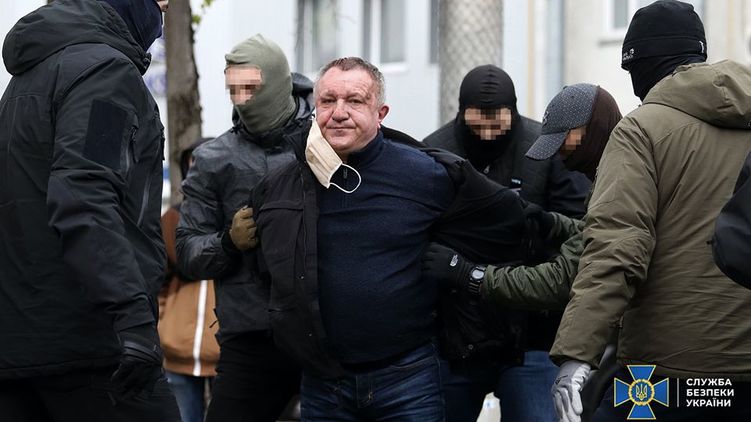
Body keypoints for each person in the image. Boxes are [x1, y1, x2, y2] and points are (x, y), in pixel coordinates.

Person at [248, 56, 563, 422]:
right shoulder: (283, 184)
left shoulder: (425, 173)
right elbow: (264, 267)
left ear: (381, 113)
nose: (339, 112)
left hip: (407, 380)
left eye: (355, 101)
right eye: (328, 100)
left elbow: (508, 225)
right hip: (324, 383)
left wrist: (463, 272)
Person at [549, 2, 751, 421]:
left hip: (666, 373)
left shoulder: (641, 130)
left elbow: (616, 247)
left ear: (641, 64)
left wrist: (576, 353)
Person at [0, 0, 180, 421]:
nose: (166, 7)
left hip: (20, 344)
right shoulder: (105, 72)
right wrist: (132, 318)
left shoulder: (29, 77)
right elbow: (84, 195)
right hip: (94, 343)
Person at [423, 82, 622, 421]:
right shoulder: (434, 150)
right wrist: (552, 223)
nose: (488, 133)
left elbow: (565, 276)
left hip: (534, 337)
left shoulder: (618, 180)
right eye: (478, 121)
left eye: (564, 143)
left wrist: (469, 274)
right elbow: (591, 234)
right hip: (457, 340)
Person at [175, 34, 312, 422]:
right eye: (233, 89)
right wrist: (227, 242)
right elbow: (187, 253)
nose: (241, 99)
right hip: (251, 337)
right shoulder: (213, 159)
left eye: (251, 87)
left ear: (277, 82)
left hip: (323, 330)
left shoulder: (327, 141)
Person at [159, 137, 219, 422]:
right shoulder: (171, 218)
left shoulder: (239, 215)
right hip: (177, 348)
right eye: (193, 162)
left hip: (226, 351)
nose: (197, 168)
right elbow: (157, 279)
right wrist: (162, 321)